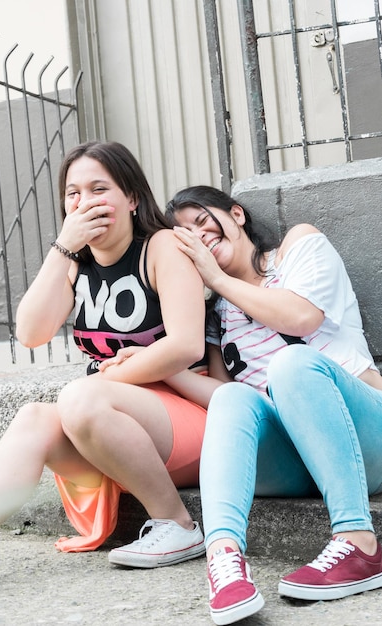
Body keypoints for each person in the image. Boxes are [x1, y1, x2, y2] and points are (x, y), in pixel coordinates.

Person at [0, 141, 208, 585]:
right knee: (34, 417)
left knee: (80, 396)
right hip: (104, 426)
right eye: (73, 193)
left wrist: (103, 381)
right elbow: (31, 333)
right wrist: (63, 248)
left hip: (184, 417)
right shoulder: (75, 266)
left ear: (132, 198)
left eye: (99, 188)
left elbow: (187, 345)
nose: (85, 202)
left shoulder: (161, 248)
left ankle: (179, 526)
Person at [164, 184, 382, 625]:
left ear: (237, 215)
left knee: (291, 363)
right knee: (230, 394)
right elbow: (227, 403)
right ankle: (224, 562)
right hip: (296, 460)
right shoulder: (219, 316)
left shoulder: (298, 248)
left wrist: (218, 278)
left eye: (202, 220)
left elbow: (301, 317)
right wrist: (163, 369)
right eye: (185, 234)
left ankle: (361, 543)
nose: (199, 236)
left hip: (364, 439)